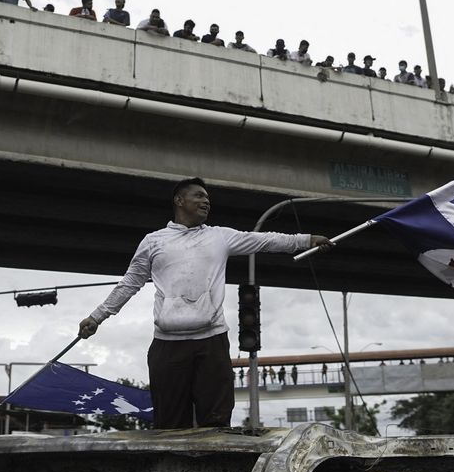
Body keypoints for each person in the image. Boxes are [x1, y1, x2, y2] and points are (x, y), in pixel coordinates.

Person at [77, 178, 330, 429]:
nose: (205, 201)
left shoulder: (220, 237)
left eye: (207, 198)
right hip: (167, 346)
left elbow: (266, 240)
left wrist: (307, 240)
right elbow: (129, 283)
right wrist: (97, 317)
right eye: (198, 196)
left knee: (217, 420)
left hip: (212, 342)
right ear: (179, 200)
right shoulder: (153, 241)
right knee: (170, 423)